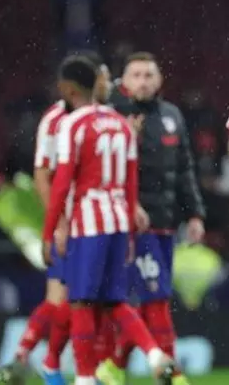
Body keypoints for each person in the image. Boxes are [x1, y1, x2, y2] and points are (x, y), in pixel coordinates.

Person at [41, 55, 176, 385]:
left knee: (82, 302)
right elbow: (131, 182)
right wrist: (129, 231)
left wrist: (50, 230)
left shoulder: (73, 124)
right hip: (118, 221)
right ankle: (154, 353)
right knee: (114, 300)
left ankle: (85, 377)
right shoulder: (120, 124)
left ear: (68, 89)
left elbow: (61, 184)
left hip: (88, 224)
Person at [0, 52, 111, 385]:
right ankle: (37, 361)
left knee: (91, 300)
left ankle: (53, 363)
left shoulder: (107, 117)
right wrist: (58, 222)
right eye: (103, 76)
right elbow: (43, 175)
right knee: (64, 298)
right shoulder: (55, 120)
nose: (107, 83)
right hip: (71, 223)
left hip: (101, 222)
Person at [96, 52, 204, 385]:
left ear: (159, 80)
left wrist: (195, 214)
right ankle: (172, 374)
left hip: (166, 224)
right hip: (132, 226)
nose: (143, 81)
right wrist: (129, 204)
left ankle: (114, 365)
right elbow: (101, 172)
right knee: (156, 298)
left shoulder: (172, 115)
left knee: (151, 298)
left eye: (148, 75)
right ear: (124, 82)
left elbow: (184, 169)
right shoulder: (111, 117)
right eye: (136, 75)